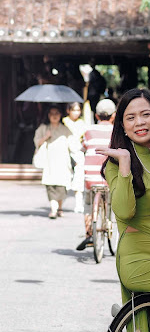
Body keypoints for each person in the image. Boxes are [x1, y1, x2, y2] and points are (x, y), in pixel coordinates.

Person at [96, 89, 150, 303]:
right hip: (137, 261)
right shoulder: (115, 163)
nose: (139, 123)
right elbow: (124, 211)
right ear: (122, 126)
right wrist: (125, 165)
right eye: (130, 118)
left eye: (145, 114)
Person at [76, 98, 116, 251]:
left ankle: (89, 232)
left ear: (97, 116)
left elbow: (82, 148)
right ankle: (109, 222)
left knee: (88, 204)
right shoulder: (116, 131)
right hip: (110, 178)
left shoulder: (89, 130)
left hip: (91, 178)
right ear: (113, 116)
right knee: (110, 202)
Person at [33, 104, 77, 219]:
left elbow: (73, 145)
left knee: (61, 187)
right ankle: (53, 209)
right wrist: (45, 137)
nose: (54, 116)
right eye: (51, 114)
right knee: (51, 187)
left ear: (60, 115)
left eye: (56, 113)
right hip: (49, 162)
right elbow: (37, 142)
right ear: (48, 115)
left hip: (62, 162)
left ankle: (59, 207)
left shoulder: (65, 129)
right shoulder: (43, 128)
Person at [63, 101, 87, 213]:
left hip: (78, 152)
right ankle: (60, 203)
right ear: (68, 110)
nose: (76, 112)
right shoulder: (64, 122)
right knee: (64, 179)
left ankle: (78, 204)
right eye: (74, 110)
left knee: (79, 178)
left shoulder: (82, 123)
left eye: (78, 110)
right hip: (65, 151)